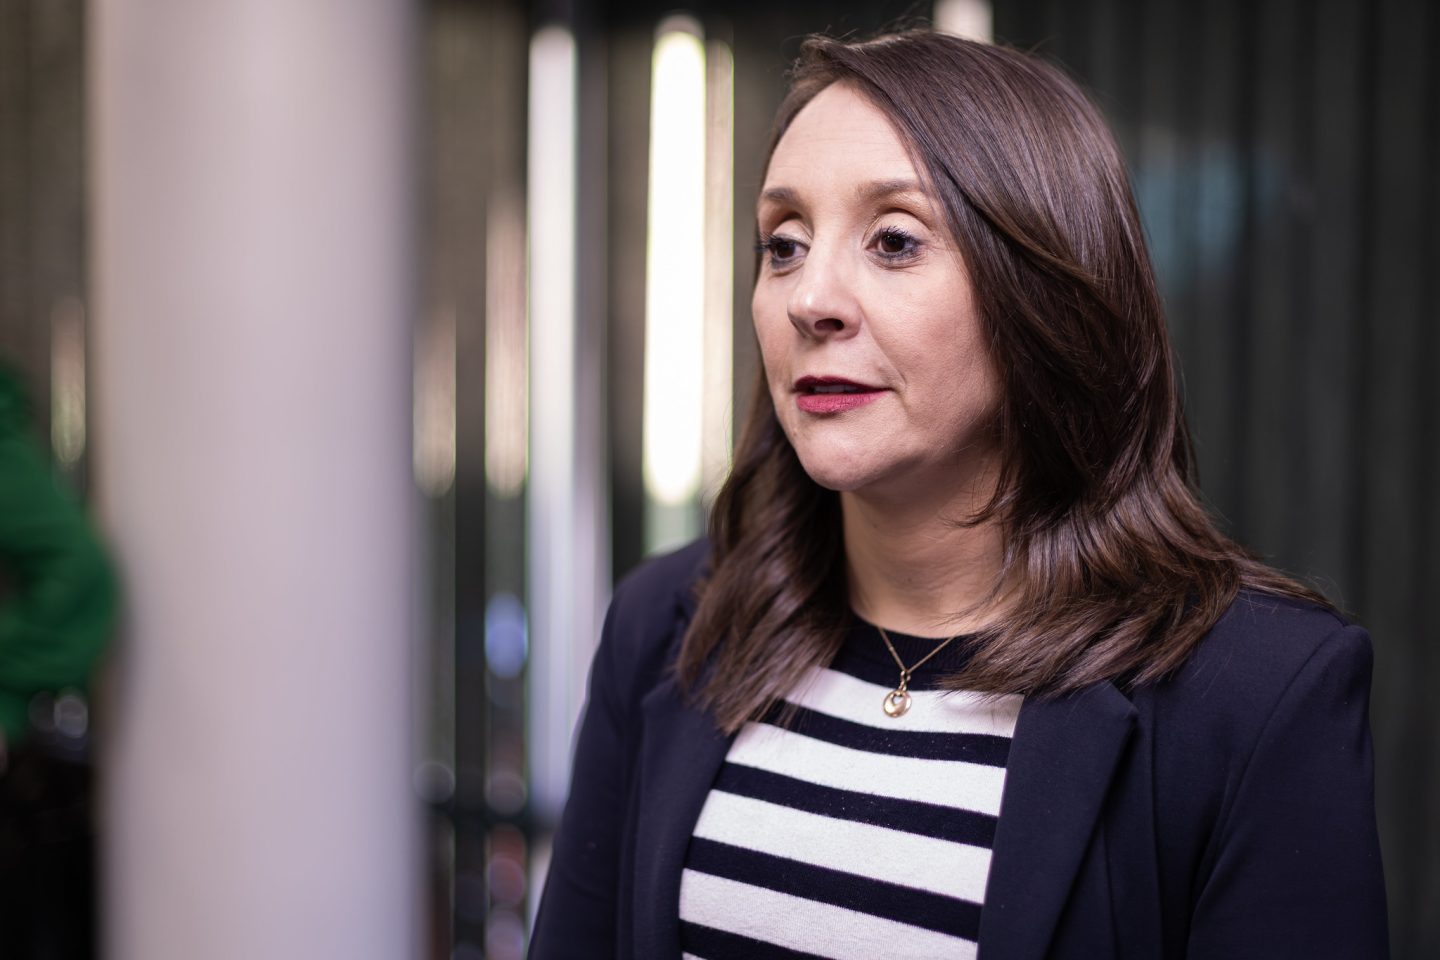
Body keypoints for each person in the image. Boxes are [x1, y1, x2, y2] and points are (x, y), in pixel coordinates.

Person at [528, 29, 1388, 960]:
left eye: (894, 240)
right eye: (784, 245)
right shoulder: (668, 626)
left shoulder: (1256, 695)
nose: (811, 298)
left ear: (1042, 293)